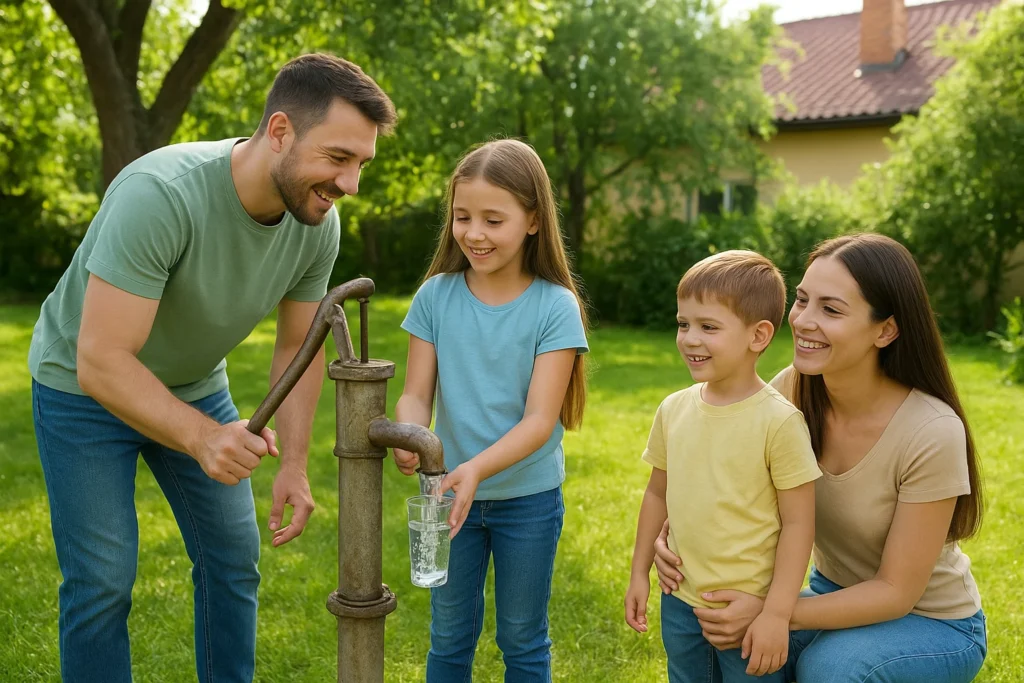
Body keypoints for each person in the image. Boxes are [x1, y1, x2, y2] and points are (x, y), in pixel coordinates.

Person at [27, 53, 397, 683]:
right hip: (81, 389)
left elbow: (297, 347)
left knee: (232, 557)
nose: (350, 184)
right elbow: (101, 360)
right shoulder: (162, 195)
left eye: (360, 163)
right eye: (338, 158)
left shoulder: (315, 224)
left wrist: (298, 464)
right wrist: (202, 438)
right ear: (279, 132)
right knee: (103, 580)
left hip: (195, 384)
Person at [652, 234, 987, 683]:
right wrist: (676, 537)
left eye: (830, 309)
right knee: (733, 642)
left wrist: (776, 612)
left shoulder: (931, 431)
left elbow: (896, 592)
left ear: (885, 330)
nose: (804, 321)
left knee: (829, 669)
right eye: (802, 300)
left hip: (931, 621)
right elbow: (725, 481)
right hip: (829, 590)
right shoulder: (789, 391)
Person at [390, 138, 589, 682]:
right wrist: (412, 432)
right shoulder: (435, 296)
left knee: (522, 639)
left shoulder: (553, 305)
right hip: (447, 497)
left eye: (492, 220)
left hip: (527, 500)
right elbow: (416, 393)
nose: (473, 233)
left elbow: (539, 422)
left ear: (532, 220)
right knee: (449, 637)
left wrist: (474, 468)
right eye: (462, 217)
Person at [624, 251, 820, 682]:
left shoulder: (780, 422)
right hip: (680, 600)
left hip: (749, 607)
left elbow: (799, 525)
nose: (690, 338)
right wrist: (639, 572)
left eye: (708, 327)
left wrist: (775, 614)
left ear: (758, 335)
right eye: (683, 324)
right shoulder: (673, 410)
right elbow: (657, 493)